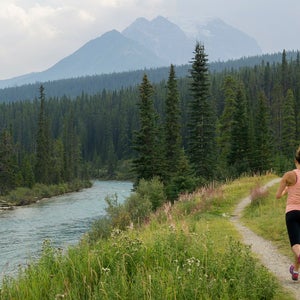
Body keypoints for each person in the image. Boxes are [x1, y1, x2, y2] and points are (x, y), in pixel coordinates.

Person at [276, 147, 300, 281]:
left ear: (295, 160)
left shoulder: (289, 175)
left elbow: (278, 195)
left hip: (292, 212)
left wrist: (285, 189)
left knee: (296, 244)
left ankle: (296, 270)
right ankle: (295, 271)